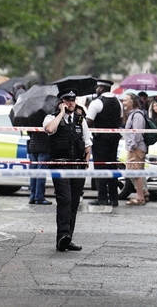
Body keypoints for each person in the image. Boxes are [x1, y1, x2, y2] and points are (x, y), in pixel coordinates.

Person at [44, 89, 91, 252]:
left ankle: (68, 237)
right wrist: (60, 113)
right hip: (60, 164)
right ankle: (62, 235)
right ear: (61, 102)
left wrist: (86, 161)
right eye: (67, 100)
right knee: (65, 199)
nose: (71, 103)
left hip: (77, 166)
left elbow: (87, 142)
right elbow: (49, 130)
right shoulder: (51, 118)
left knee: (74, 201)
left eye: (73, 100)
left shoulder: (80, 119)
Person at [85, 79, 122, 207]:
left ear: (101, 89)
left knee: (100, 167)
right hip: (114, 139)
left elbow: (88, 122)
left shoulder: (97, 103)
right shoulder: (118, 102)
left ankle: (102, 197)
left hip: (100, 139)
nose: (96, 90)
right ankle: (113, 198)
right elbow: (120, 120)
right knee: (112, 166)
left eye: (97, 88)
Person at [122, 92, 148, 206]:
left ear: (132, 102)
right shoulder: (132, 114)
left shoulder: (137, 115)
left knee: (135, 172)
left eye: (125, 100)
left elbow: (137, 133)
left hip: (136, 148)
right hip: (134, 147)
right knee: (132, 172)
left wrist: (132, 146)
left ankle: (140, 197)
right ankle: (142, 192)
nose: (123, 102)